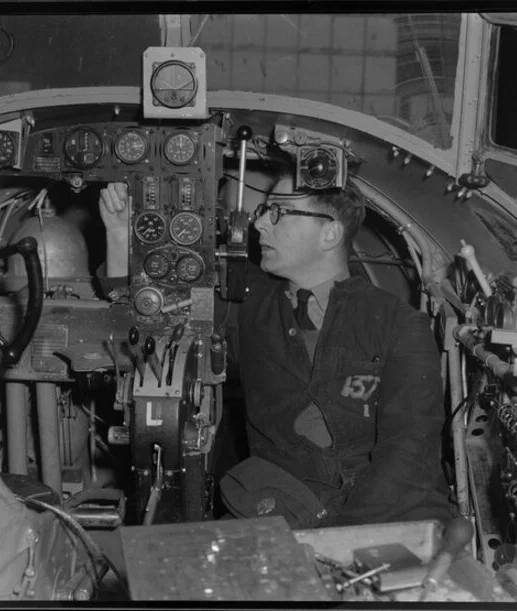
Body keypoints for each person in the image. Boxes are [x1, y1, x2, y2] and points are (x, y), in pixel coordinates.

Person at [99, 173, 453, 527]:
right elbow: (148, 322)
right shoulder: (248, 308)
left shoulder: (398, 323)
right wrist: (118, 236)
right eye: (264, 211)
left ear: (330, 234)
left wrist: (341, 538)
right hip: (278, 510)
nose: (259, 224)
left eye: (279, 212)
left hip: (382, 516)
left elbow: (410, 453)